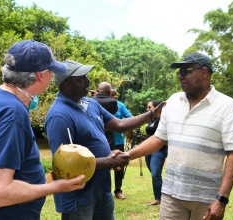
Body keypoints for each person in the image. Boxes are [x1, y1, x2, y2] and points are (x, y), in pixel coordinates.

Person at [0, 40, 85, 220]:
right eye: (50, 71)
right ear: (40, 75)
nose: (52, 77)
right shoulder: (12, 113)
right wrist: (55, 187)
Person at [124, 52, 233, 220]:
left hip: (207, 197)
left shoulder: (227, 106)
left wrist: (221, 199)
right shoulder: (173, 101)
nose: (180, 76)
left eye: (186, 70)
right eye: (179, 72)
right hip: (171, 195)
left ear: (204, 72)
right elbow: (159, 139)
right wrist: (127, 155)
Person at [44, 60, 165, 220]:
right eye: (81, 78)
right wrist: (108, 162)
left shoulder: (90, 103)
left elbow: (120, 124)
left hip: (102, 188)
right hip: (79, 197)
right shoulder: (60, 115)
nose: (87, 81)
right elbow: (65, 166)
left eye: (86, 76)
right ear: (67, 85)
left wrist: (152, 114)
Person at [110, 87, 132, 200]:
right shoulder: (100, 104)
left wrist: (121, 125)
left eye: (115, 95)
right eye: (111, 94)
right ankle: (105, 190)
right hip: (104, 141)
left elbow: (130, 117)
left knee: (119, 165)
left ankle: (118, 190)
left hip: (118, 140)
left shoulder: (120, 105)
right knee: (104, 165)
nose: (114, 97)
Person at [144, 100, 168, 206]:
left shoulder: (162, 119)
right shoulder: (152, 120)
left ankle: (159, 199)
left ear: (157, 108)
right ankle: (161, 197)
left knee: (155, 175)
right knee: (155, 175)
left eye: (150, 107)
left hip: (159, 150)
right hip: (148, 150)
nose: (148, 109)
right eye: (147, 107)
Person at [92, 82, 118, 151]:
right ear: (109, 91)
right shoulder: (112, 102)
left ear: (98, 91)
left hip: (94, 135)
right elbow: (114, 112)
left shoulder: (91, 100)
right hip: (108, 136)